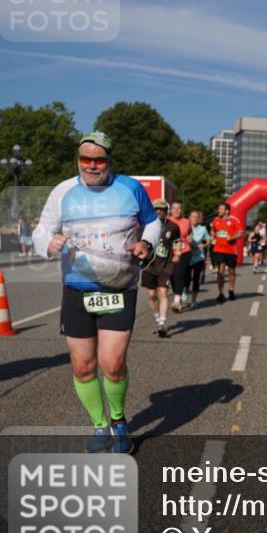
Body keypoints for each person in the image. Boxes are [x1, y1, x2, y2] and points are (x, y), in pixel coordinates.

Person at [32, 131, 159, 454]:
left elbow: (152, 223)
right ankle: (99, 425)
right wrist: (48, 242)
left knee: (112, 363)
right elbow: (43, 228)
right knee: (82, 366)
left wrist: (147, 243)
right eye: (85, 159)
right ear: (78, 160)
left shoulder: (130, 188)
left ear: (109, 161)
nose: (91, 165)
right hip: (77, 289)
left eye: (98, 160)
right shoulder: (63, 191)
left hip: (119, 287)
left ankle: (119, 423)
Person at [141, 199, 181, 337]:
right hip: (149, 265)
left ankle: (162, 324)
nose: (158, 211)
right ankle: (157, 318)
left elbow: (177, 242)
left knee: (163, 293)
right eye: (156, 209)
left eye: (161, 209)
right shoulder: (146, 226)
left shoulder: (173, 227)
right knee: (152, 295)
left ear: (166, 211)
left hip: (165, 265)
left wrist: (178, 253)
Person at [211, 202, 243, 302]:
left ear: (226, 211)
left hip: (230, 249)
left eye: (221, 209)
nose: (218, 211)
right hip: (218, 249)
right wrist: (213, 235)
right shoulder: (216, 220)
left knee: (231, 271)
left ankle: (231, 290)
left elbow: (241, 233)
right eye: (218, 209)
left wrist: (232, 237)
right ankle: (221, 293)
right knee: (220, 271)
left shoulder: (234, 220)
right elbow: (213, 230)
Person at [168, 201, 192, 313]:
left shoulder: (186, 221)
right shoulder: (167, 221)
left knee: (179, 274)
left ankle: (177, 300)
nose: (176, 210)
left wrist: (189, 241)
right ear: (170, 210)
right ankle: (178, 295)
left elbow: (189, 233)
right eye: (174, 208)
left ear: (182, 210)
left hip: (184, 251)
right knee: (172, 276)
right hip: (170, 253)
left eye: (179, 208)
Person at [186, 210, 210, 309]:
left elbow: (209, 239)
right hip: (187, 256)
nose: (195, 219)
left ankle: (194, 300)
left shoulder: (203, 229)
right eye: (193, 217)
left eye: (197, 217)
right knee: (186, 278)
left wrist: (203, 245)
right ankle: (184, 290)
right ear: (189, 218)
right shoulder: (186, 227)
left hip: (198, 257)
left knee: (196, 279)